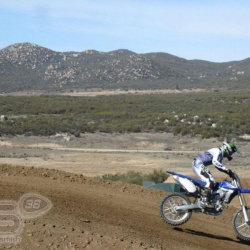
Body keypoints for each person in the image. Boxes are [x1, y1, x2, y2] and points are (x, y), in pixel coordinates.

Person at [192, 141, 240, 211]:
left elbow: (218, 166)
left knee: (213, 182)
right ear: (228, 149)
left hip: (199, 164)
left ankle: (206, 198)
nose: (231, 154)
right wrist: (228, 171)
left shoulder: (220, 154)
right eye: (232, 152)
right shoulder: (218, 151)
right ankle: (204, 201)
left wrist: (227, 172)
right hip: (198, 164)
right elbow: (215, 162)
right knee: (210, 181)